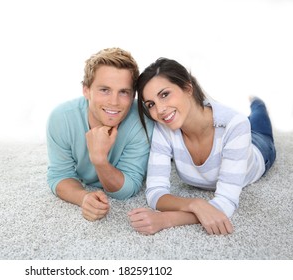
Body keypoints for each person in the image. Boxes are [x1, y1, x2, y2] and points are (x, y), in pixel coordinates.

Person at [128, 57, 276, 235]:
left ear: (188, 88)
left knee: (258, 118)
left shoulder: (235, 123)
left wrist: (166, 219)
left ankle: (258, 103)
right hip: (234, 135)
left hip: (259, 148)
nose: (160, 110)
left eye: (165, 94)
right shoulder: (164, 127)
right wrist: (195, 203)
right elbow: (154, 191)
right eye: (151, 104)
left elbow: (226, 202)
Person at [47, 47, 153, 221]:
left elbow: (128, 189)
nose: (114, 102)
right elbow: (59, 176)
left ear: (133, 94)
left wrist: (99, 159)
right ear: (86, 90)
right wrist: (83, 197)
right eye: (105, 90)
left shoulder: (142, 120)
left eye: (124, 92)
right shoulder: (61, 118)